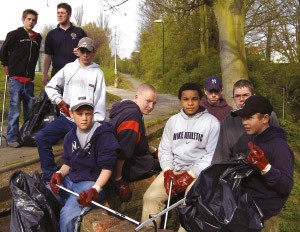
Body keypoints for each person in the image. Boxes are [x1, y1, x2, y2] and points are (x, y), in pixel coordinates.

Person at [141, 83, 220, 231]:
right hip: (174, 169)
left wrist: (190, 175)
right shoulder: (173, 121)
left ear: (200, 99)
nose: (190, 103)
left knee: (192, 203)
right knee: (150, 197)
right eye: (185, 99)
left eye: (194, 99)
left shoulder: (212, 123)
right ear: (180, 100)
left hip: (197, 174)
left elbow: (212, 155)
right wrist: (168, 171)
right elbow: (164, 150)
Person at [36, 37, 106, 182]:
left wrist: (96, 124)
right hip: (66, 118)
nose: (86, 54)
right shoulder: (69, 68)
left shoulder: (97, 73)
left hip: (85, 122)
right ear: (78, 51)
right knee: (41, 137)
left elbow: (100, 101)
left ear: (94, 52)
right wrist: (59, 100)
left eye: (89, 51)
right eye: (83, 51)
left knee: (80, 150)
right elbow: (50, 86)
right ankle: (50, 174)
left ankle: (80, 179)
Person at [48, 95, 120, 232]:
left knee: (67, 215)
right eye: (79, 114)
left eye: (88, 113)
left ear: (93, 113)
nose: (84, 118)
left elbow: (107, 168)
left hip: (93, 182)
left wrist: (95, 189)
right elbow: (68, 163)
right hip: (73, 179)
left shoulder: (104, 134)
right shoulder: (70, 136)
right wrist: (59, 173)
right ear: (71, 114)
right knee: (45, 192)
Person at [231, 95, 294, 231]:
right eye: (243, 118)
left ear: (265, 118)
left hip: (265, 218)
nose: (244, 122)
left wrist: (266, 167)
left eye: (249, 118)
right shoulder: (257, 138)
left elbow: (286, 186)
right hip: (249, 210)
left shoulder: (278, 146)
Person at [108, 83, 160, 202]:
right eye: (148, 101)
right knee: (166, 164)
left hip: (116, 162)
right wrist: (119, 180)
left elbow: (137, 140)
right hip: (129, 167)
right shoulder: (133, 116)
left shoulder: (124, 108)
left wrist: (153, 150)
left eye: (154, 103)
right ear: (136, 97)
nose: (151, 106)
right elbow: (123, 151)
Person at [0, 9, 42, 148]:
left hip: (29, 80)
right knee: (15, 109)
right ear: (23, 19)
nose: (31, 22)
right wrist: (6, 65)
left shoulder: (37, 38)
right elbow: (3, 51)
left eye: (34, 20)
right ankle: (12, 137)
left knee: (30, 111)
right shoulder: (14, 35)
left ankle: (26, 135)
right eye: (29, 19)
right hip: (16, 79)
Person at [211, 79, 280, 164]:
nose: (241, 99)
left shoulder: (268, 116)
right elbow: (221, 155)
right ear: (233, 98)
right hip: (238, 169)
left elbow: (279, 148)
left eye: (245, 95)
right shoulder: (227, 121)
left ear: (253, 96)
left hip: (265, 167)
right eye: (237, 96)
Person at [42, 2, 87, 84]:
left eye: (62, 13)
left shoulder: (79, 32)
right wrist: (45, 74)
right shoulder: (51, 34)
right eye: (58, 13)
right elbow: (48, 56)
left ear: (69, 14)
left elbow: (88, 51)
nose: (59, 15)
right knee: (57, 97)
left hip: (76, 73)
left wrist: (81, 52)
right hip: (57, 73)